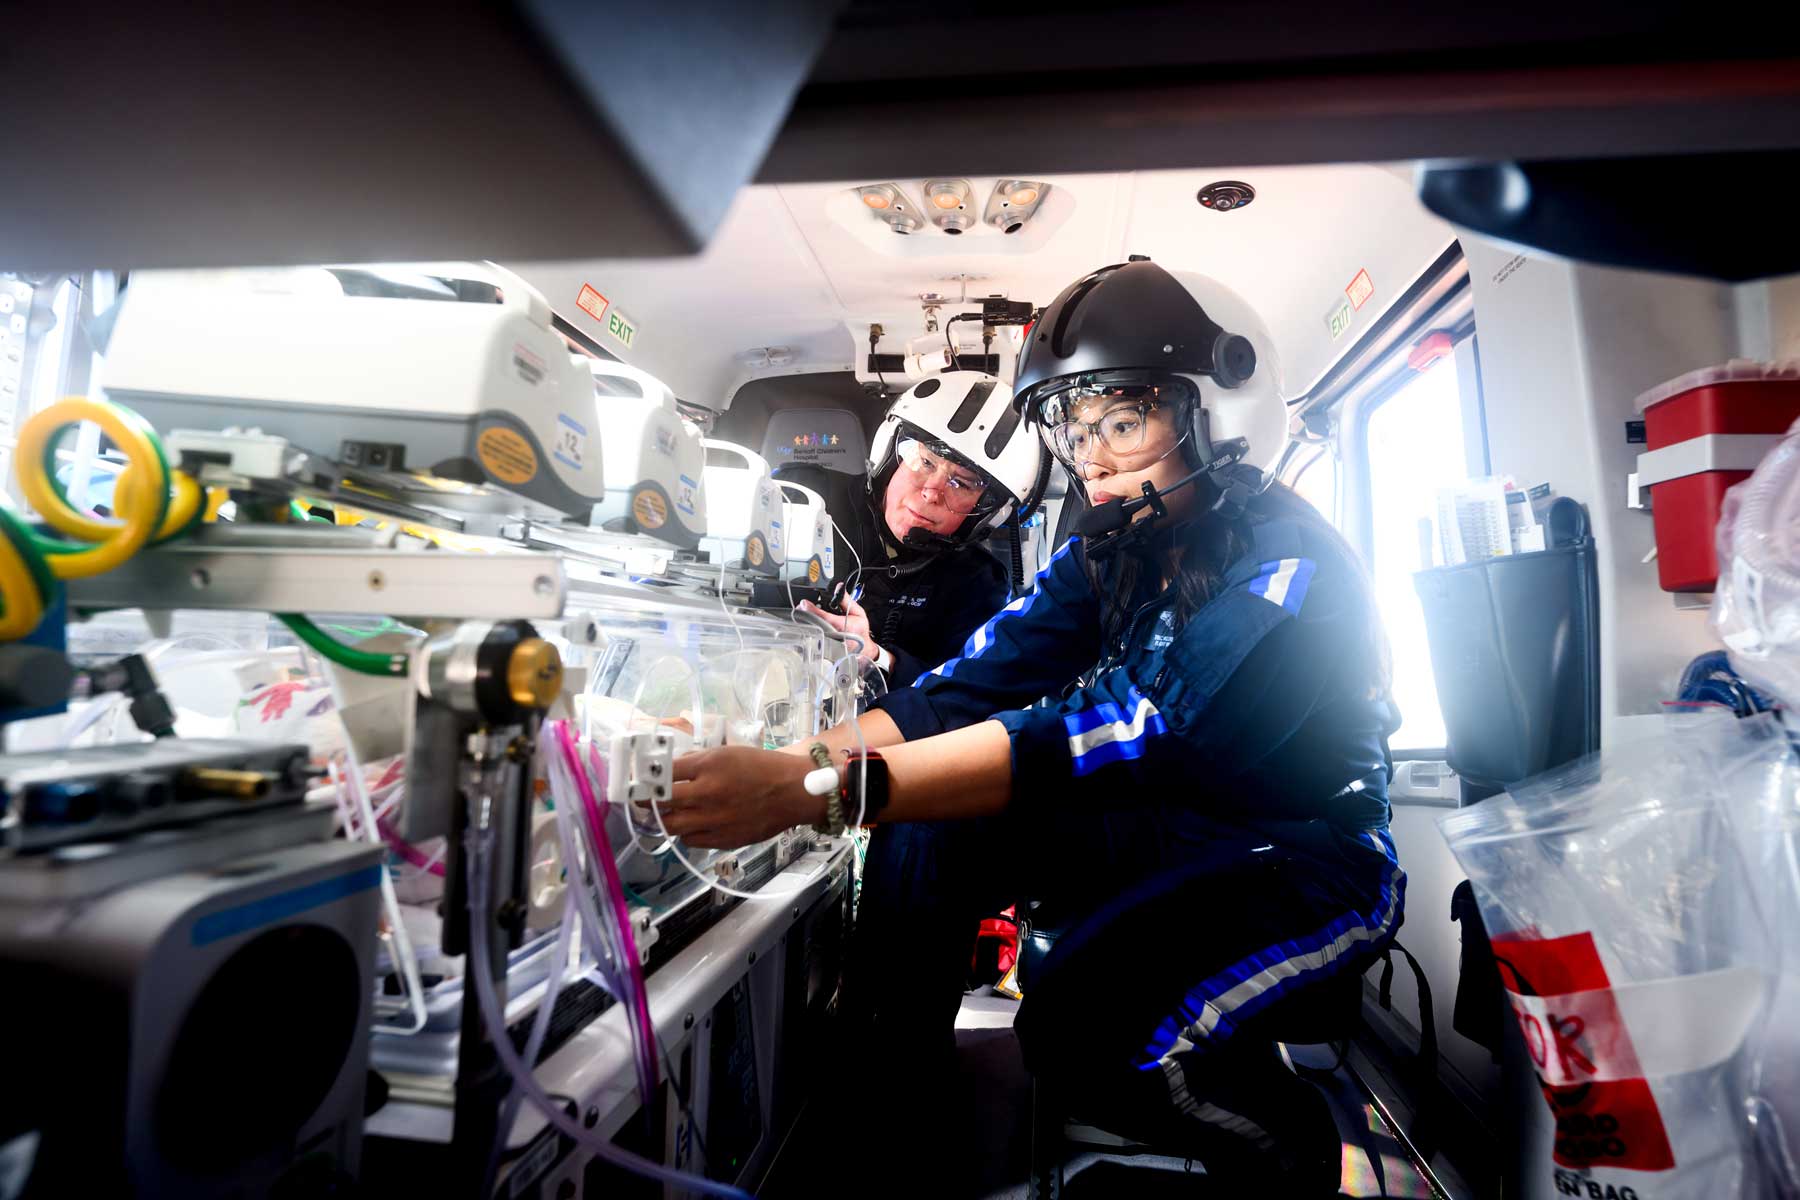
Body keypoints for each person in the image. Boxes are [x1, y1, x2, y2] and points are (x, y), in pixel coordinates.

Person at [666, 260, 1402, 1187]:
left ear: (1217, 409)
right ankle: (888, 1109)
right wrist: (798, 763)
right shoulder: (1117, 545)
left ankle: (1291, 1156)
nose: (1092, 457)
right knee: (928, 831)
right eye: (1073, 425)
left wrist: (817, 794)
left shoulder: (1288, 569)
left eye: (1124, 421)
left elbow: (1127, 726)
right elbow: (967, 687)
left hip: (1310, 861)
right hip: (1168, 829)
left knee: (1081, 1035)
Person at [779, 372, 1045, 689]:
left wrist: (875, 657)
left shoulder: (977, 583)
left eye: (961, 483)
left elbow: (962, 692)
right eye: (924, 461)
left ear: (986, 513)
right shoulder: (803, 498)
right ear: (889, 458)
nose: (932, 491)